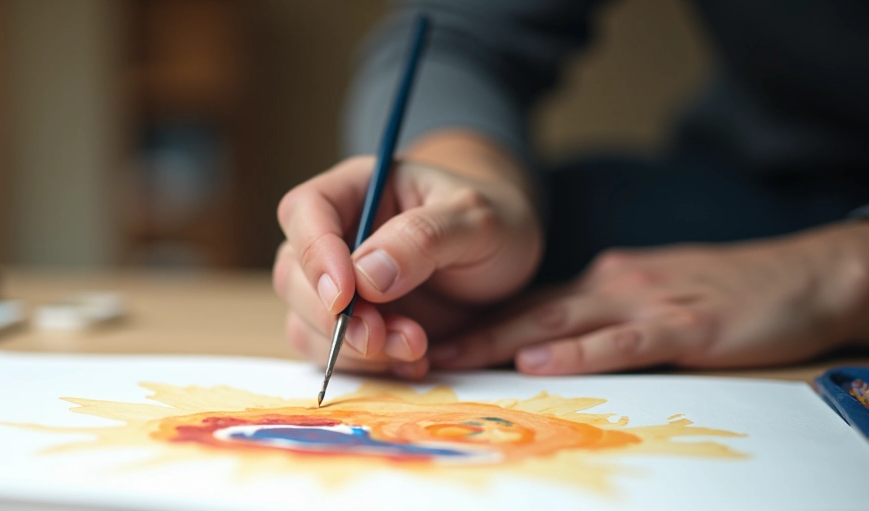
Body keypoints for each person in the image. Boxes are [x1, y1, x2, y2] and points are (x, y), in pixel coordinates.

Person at [274, 1, 869, 379]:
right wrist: (474, 188)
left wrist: (843, 270)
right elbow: (459, 35)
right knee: (536, 257)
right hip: (766, 170)